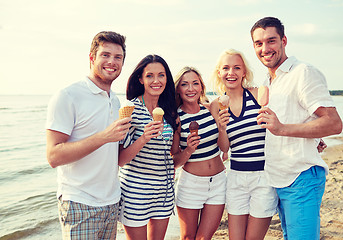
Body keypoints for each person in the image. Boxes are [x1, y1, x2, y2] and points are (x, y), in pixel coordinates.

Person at [250, 17, 343, 240]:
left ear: (284, 40)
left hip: (300, 176)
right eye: (258, 43)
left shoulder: (303, 72)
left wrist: (282, 129)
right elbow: (306, 119)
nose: (265, 49)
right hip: (278, 178)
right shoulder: (269, 82)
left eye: (271, 41)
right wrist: (312, 136)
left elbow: (334, 122)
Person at [46, 31, 131, 239]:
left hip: (111, 201)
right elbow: (53, 156)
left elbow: (115, 158)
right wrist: (104, 136)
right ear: (92, 58)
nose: (112, 62)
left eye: (118, 57)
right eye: (105, 55)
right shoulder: (68, 96)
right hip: (79, 203)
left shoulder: (115, 101)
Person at [210, 49, 278, 240]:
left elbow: (284, 116)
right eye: (226, 68)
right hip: (236, 178)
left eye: (236, 68)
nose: (231, 72)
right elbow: (224, 148)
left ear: (244, 73)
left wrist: (315, 139)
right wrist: (221, 128)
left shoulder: (258, 94)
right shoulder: (216, 105)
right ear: (219, 73)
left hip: (263, 177)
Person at [118, 54, 178, 240]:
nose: (156, 81)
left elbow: (170, 153)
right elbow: (121, 160)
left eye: (161, 75)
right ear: (141, 79)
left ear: (167, 78)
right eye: (150, 75)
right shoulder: (130, 109)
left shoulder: (169, 109)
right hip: (136, 188)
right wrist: (144, 137)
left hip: (164, 189)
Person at [171, 66, 228, 240]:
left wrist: (222, 128)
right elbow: (174, 161)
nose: (191, 89)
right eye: (185, 84)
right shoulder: (176, 118)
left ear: (201, 87)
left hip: (218, 182)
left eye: (195, 83)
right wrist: (188, 149)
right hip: (191, 184)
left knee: (205, 238)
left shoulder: (211, 109)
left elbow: (224, 147)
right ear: (178, 89)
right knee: (188, 237)